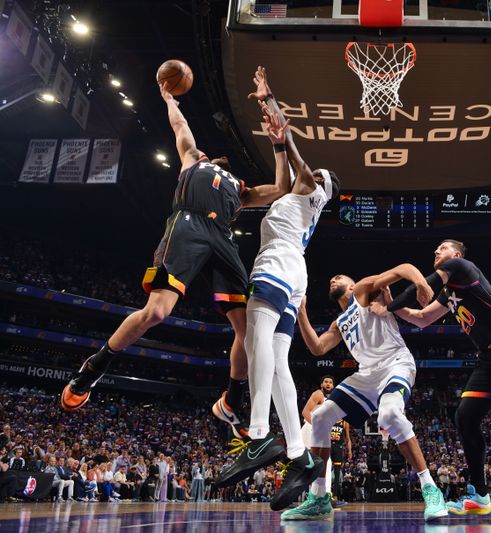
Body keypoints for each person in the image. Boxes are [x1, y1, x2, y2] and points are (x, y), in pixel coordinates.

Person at [60, 76, 293, 444]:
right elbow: (180, 125)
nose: (221, 161)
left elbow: (282, 187)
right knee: (156, 313)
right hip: (188, 225)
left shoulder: (240, 189)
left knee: (249, 332)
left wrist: (279, 145)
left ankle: (231, 402)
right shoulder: (192, 159)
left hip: (222, 238)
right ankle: (93, 368)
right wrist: (169, 98)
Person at [213, 67, 340, 514]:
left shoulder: (311, 191)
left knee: (254, 339)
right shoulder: (294, 198)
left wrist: (270, 102)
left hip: (277, 263)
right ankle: (297, 456)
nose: (310, 173)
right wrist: (275, 145)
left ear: (320, 186)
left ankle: (257, 432)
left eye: (316, 174)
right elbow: (282, 176)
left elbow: (296, 161)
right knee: (279, 359)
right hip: (293, 271)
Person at [371, 239, 491, 521]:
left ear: (456, 254)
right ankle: (478, 495)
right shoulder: (449, 291)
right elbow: (423, 318)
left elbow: (419, 288)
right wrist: (390, 306)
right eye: (435, 249)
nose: (436, 251)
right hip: (489, 356)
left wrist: (389, 308)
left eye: (442, 248)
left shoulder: (461, 267)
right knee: (465, 416)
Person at [281, 267, 447, 521]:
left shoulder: (362, 291)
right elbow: (317, 347)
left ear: (350, 286)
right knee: (321, 416)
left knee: (390, 415)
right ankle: (318, 498)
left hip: (395, 363)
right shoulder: (339, 322)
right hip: (367, 375)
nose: (332, 278)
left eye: (339, 276)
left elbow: (403, 268)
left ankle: (430, 488)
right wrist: (301, 312)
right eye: (331, 278)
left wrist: (422, 284)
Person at [300, 376, 351, 500]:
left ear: (333, 386)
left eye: (330, 382)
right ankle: (322, 494)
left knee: (321, 462)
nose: (328, 384)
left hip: (319, 430)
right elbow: (305, 412)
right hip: (310, 428)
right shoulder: (318, 394)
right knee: (317, 461)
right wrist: (317, 426)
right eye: (326, 382)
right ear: (322, 384)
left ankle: (322, 494)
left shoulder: (332, 400)